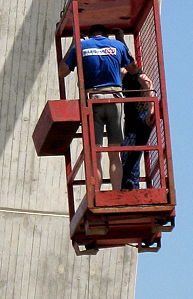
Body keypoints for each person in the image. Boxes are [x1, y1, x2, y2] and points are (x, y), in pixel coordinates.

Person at [58, 24, 138, 191]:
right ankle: (116, 192)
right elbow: (133, 68)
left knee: (96, 152)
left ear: (90, 35)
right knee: (115, 153)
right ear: (106, 35)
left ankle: (96, 194)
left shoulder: (81, 46)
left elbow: (62, 71)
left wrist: (74, 43)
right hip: (114, 100)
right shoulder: (117, 46)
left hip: (92, 100)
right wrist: (121, 39)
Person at [120, 68, 156, 190]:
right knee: (128, 154)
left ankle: (130, 188)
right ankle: (129, 187)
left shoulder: (133, 74)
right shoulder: (127, 78)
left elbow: (147, 82)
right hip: (133, 119)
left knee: (130, 154)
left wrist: (151, 108)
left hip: (140, 117)